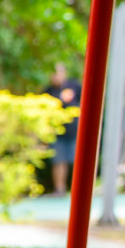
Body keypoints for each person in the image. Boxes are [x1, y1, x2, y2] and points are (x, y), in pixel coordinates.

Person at [44, 62, 81, 193]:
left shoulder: (74, 86)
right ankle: (60, 188)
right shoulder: (48, 91)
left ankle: (79, 188)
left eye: (58, 73)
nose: (55, 76)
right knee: (58, 161)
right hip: (57, 133)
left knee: (77, 161)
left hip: (74, 132)